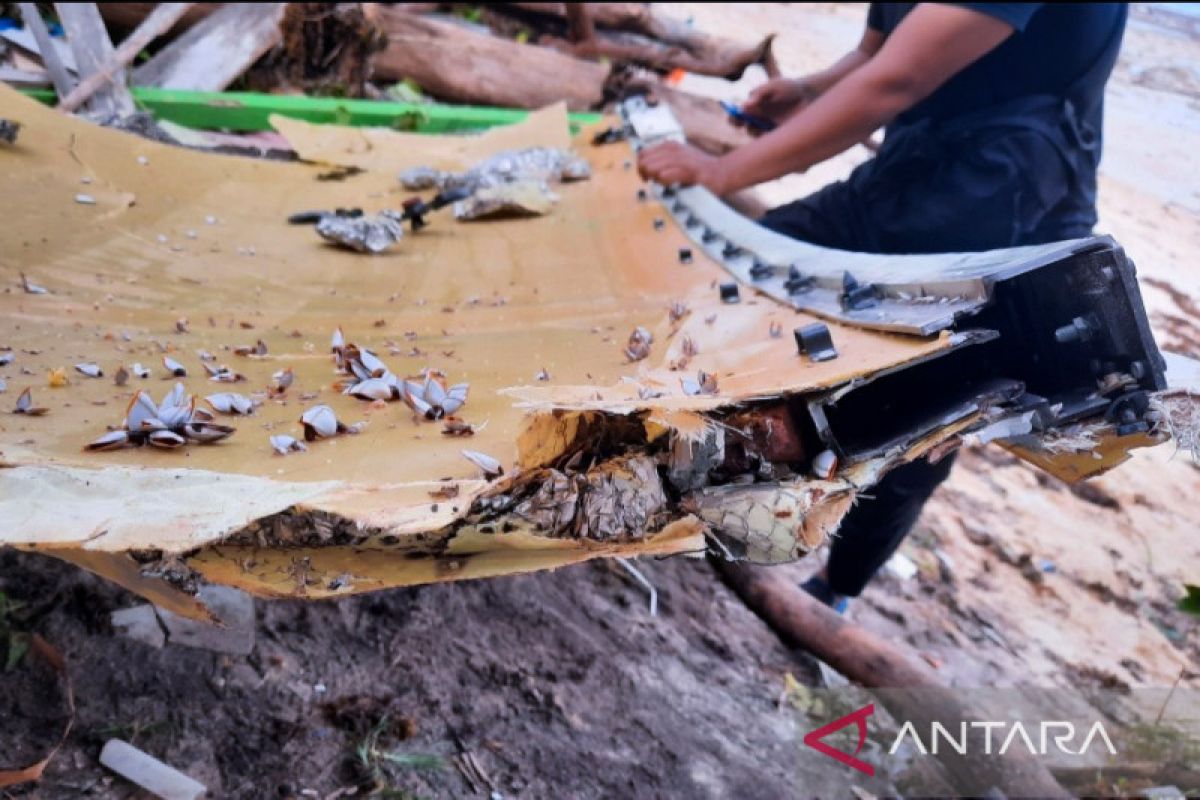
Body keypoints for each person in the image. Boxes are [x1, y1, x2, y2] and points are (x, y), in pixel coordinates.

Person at [637, 3, 1128, 610]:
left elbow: (898, 80)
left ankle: (835, 590)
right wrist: (810, 91)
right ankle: (689, 483)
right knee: (732, 285)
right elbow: (876, 55)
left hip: (1008, 205)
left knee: (915, 419)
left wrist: (719, 171)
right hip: (914, 166)